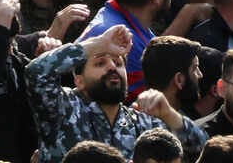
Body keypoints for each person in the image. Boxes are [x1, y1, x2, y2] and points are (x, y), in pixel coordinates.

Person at [24, 24, 208, 163]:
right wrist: (98, 44)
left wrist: (169, 114)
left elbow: (202, 150)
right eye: (99, 63)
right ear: (78, 81)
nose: (112, 66)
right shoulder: (63, 108)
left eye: (118, 63)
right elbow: (37, 72)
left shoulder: (141, 123)